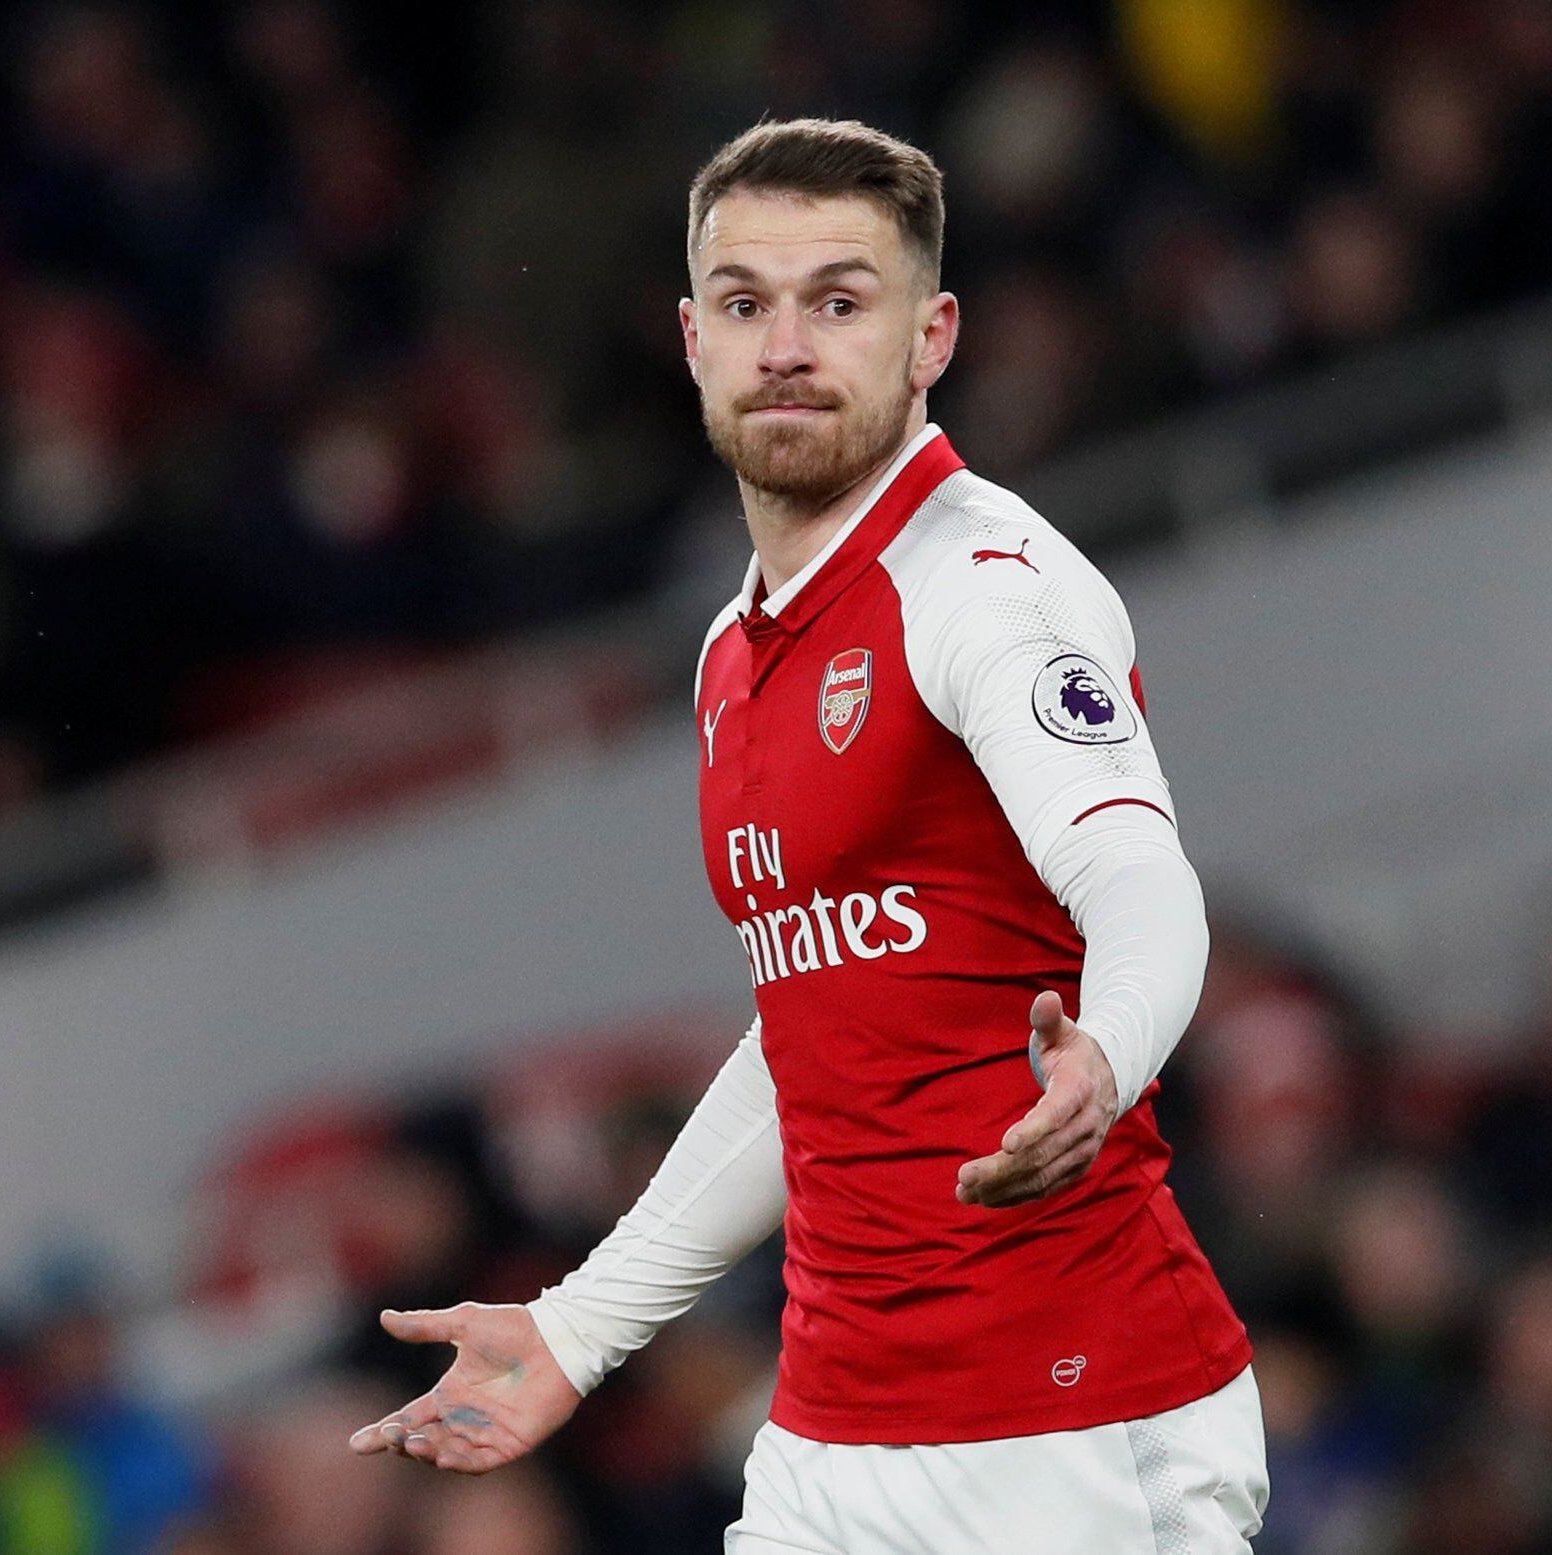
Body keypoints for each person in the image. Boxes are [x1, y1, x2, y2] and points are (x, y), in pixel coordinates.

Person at [350, 117, 1269, 1554]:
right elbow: (817, 1034)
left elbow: (1142, 883)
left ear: (931, 335)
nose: (786, 344)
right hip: (832, 1438)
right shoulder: (735, 648)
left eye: (840, 301)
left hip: (1072, 1434)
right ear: (694, 339)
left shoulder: (983, 591)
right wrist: (580, 1329)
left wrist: (1111, 1049)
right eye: (745, 304)